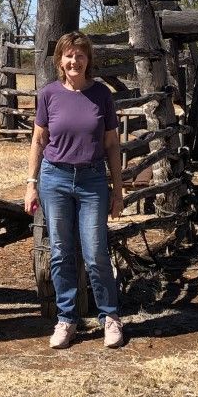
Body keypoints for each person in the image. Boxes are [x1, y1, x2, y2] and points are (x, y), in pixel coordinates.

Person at [24, 31, 125, 349]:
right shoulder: (49, 94)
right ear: (59, 60)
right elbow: (38, 141)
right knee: (61, 252)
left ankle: (110, 317)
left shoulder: (101, 95)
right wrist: (31, 184)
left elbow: (111, 144)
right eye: (68, 55)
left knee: (95, 252)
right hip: (54, 179)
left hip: (93, 180)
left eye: (80, 55)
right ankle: (67, 319)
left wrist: (118, 190)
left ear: (88, 60)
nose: (74, 61)